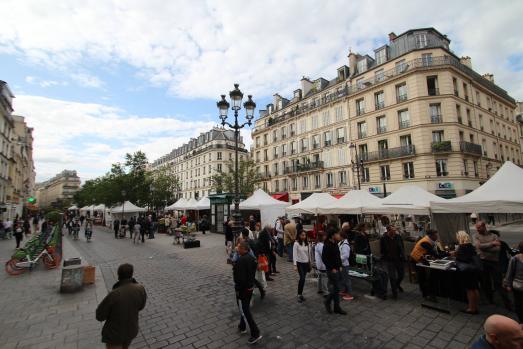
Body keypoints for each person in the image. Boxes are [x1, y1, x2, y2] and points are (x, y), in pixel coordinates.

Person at [96, 263, 147, 349]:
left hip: (114, 335)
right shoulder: (140, 288)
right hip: (131, 330)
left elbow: (100, 316)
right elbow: (141, 306)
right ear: (131, 274)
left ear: (118, 275)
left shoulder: (114, 294)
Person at [233, 241, 262, 345]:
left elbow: (239, 279)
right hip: (250, 288)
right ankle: (242, 326)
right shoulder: (252, 258)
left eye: (239, 247)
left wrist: (238, 289)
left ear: (244, 249)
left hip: (243, 290)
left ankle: (255, 333)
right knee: (244, 308)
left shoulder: (241, 261)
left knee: (245, 310)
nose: (237, 248)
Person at [474, 221, 510, 306]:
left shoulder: (494, 236)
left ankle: (507, 303)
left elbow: (497, 249)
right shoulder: (476, 236)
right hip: (483, 262)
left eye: (479, 227)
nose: (477, 229)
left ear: (484, 226)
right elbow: (478, 246)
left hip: (494, 262)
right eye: (476, 228)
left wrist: (484, 247)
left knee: (498, 282)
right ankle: (490, 300)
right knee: (486, 282)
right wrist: (492, 243)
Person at [410, 229, 444, 299]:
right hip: (416, 258)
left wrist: (444, 253)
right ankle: (425, 294)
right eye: (435, 235)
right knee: (422, 276)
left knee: (426, 275)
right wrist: (448, 254)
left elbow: (438, 251)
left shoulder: (432, 241)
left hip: (422, 258)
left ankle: (429, 292)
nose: (437, 236)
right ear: (431, 235)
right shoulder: (425, 242)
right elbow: (435, 254)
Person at [322, 228, 347, 315]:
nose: (339, 235)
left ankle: (336, 307)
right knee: (336, 289)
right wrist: (332, 268)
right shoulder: (327, 245)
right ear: (333, 235)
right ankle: (328, 302)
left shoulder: (335, 243)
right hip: (332, 270)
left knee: (337, 289)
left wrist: (340, 266)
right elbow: (324, 259)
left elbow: (338, 256)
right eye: (337, 234)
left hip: (337, 269)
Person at [455, 231, 481, 314]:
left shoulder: (462, 247)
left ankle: (471, 308)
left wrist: (456, 256)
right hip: (474, 269)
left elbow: (463, 259)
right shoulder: (471, 246)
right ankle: (476, 306)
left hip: (467, 271)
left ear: (460, 237)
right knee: (475, 288)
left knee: (469, 290)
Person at [380, 226, 405, 299]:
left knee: (401, 275)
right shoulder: (383, 239)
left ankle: (397, 285)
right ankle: (394, 292)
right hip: (389, 260)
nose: (394, 232)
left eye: (395, 230)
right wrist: (385, 256)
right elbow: (382, 250)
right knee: (392, 277)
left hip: (399, 259)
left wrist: (402, 255)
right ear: (388, 231)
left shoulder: (398, 237)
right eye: (393, 230)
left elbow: (402, 247)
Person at [504, 241, 523, 323]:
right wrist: (508, 284)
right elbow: (510, 272)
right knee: (519, 305)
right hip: (518, 287)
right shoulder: (515, 259)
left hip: (518, 286)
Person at [293, 230, 311, 303]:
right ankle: (299, 294)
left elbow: (309, 254)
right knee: (302, 278)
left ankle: (300, 294)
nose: (303, 236)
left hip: (306, 263)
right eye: (302, 235)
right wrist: (295, 265)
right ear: (299, 235)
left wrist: (310, 263)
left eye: (304, 235)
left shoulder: (307, 243)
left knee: (303, 279)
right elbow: (294, 254)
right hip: (299, 263)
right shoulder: (296, 243)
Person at [338, 230, 354, 301]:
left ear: (342, 236)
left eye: (339, 235)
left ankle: (350, 294)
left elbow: (345, 256)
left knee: (347, 279)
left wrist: (338, 259)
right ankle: (344, 290)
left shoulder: (345, 245)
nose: (337, 236)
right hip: (341, 264)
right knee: (343, 279)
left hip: (344, 264)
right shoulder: (340, 243)